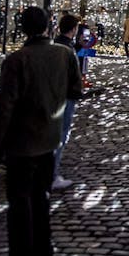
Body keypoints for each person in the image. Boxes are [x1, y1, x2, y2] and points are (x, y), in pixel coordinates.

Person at [0, 6, 81, 256]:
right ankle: (43, 246)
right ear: (47, 26)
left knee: (19, 203)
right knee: (41, 196)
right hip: (50, 139)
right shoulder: (64, 54)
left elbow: (5, 105)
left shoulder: (17, 60)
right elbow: (76, 91)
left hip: (22, 142)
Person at [52, 13, 83, 190]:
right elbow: (72, 75)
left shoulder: (58, 44)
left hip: (56, 95)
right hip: (65, 96)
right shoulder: (65, 49)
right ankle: (52, 175)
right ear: (74, 29)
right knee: (60, 136)